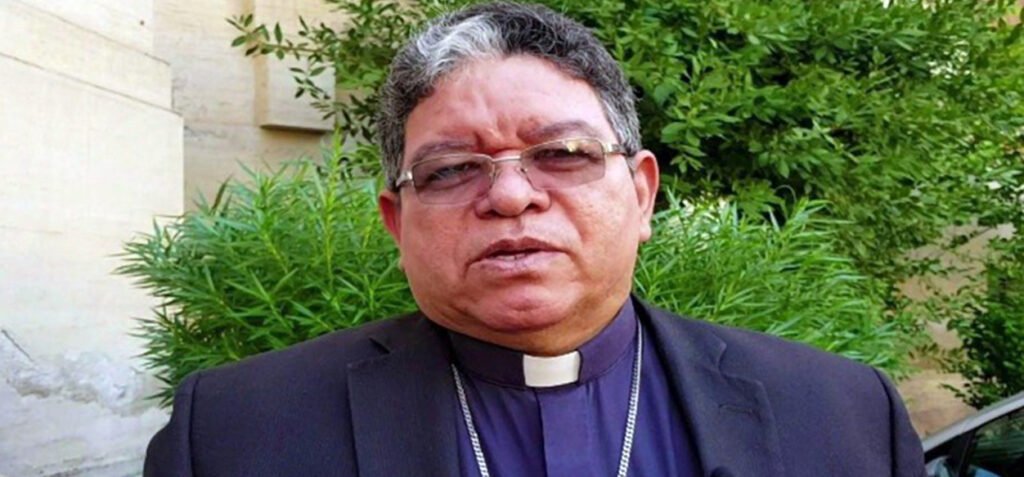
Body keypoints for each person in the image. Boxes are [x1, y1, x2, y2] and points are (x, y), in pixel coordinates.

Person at [144, 2, 926, 476]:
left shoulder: (842, 414)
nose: (511, 195)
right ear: (397, 222)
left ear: (642, 193)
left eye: (563, 152)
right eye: (453, 168)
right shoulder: (234, 432)